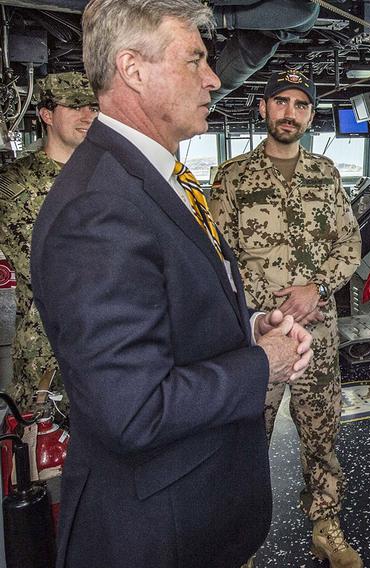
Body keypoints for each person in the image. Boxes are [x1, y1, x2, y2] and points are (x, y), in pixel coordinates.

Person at [30, 1, 314, 567]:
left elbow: (169, 304)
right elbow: (132, 410)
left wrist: (247, 325)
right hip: (160, 531)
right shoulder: (98, 208)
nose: (213, 78)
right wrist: (263, 363)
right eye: (194, 61)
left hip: (196, 513)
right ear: (133, 69)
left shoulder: (153, 178)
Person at [210, 69, 362, 568]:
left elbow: (349, 244)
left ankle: (326, 523)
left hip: (316, 331)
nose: (289, 113)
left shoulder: (326, 173)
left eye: (300, 104)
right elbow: (217, 259)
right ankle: (240, 539)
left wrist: (315, 287)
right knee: (246, 436)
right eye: (281, 102)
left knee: (322, 432)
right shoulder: (231, 178)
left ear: (309, 115)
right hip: (261, 335)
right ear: (263, 109)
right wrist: (264, 311)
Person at [0, 72, 97, 416]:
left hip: (111, 346)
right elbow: (45, 268)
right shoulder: (16, 183)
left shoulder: (107, 176)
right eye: (75, 107)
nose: (88, 116)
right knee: (45, 456)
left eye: (92, 107)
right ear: (46, 115)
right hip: (48, 353)